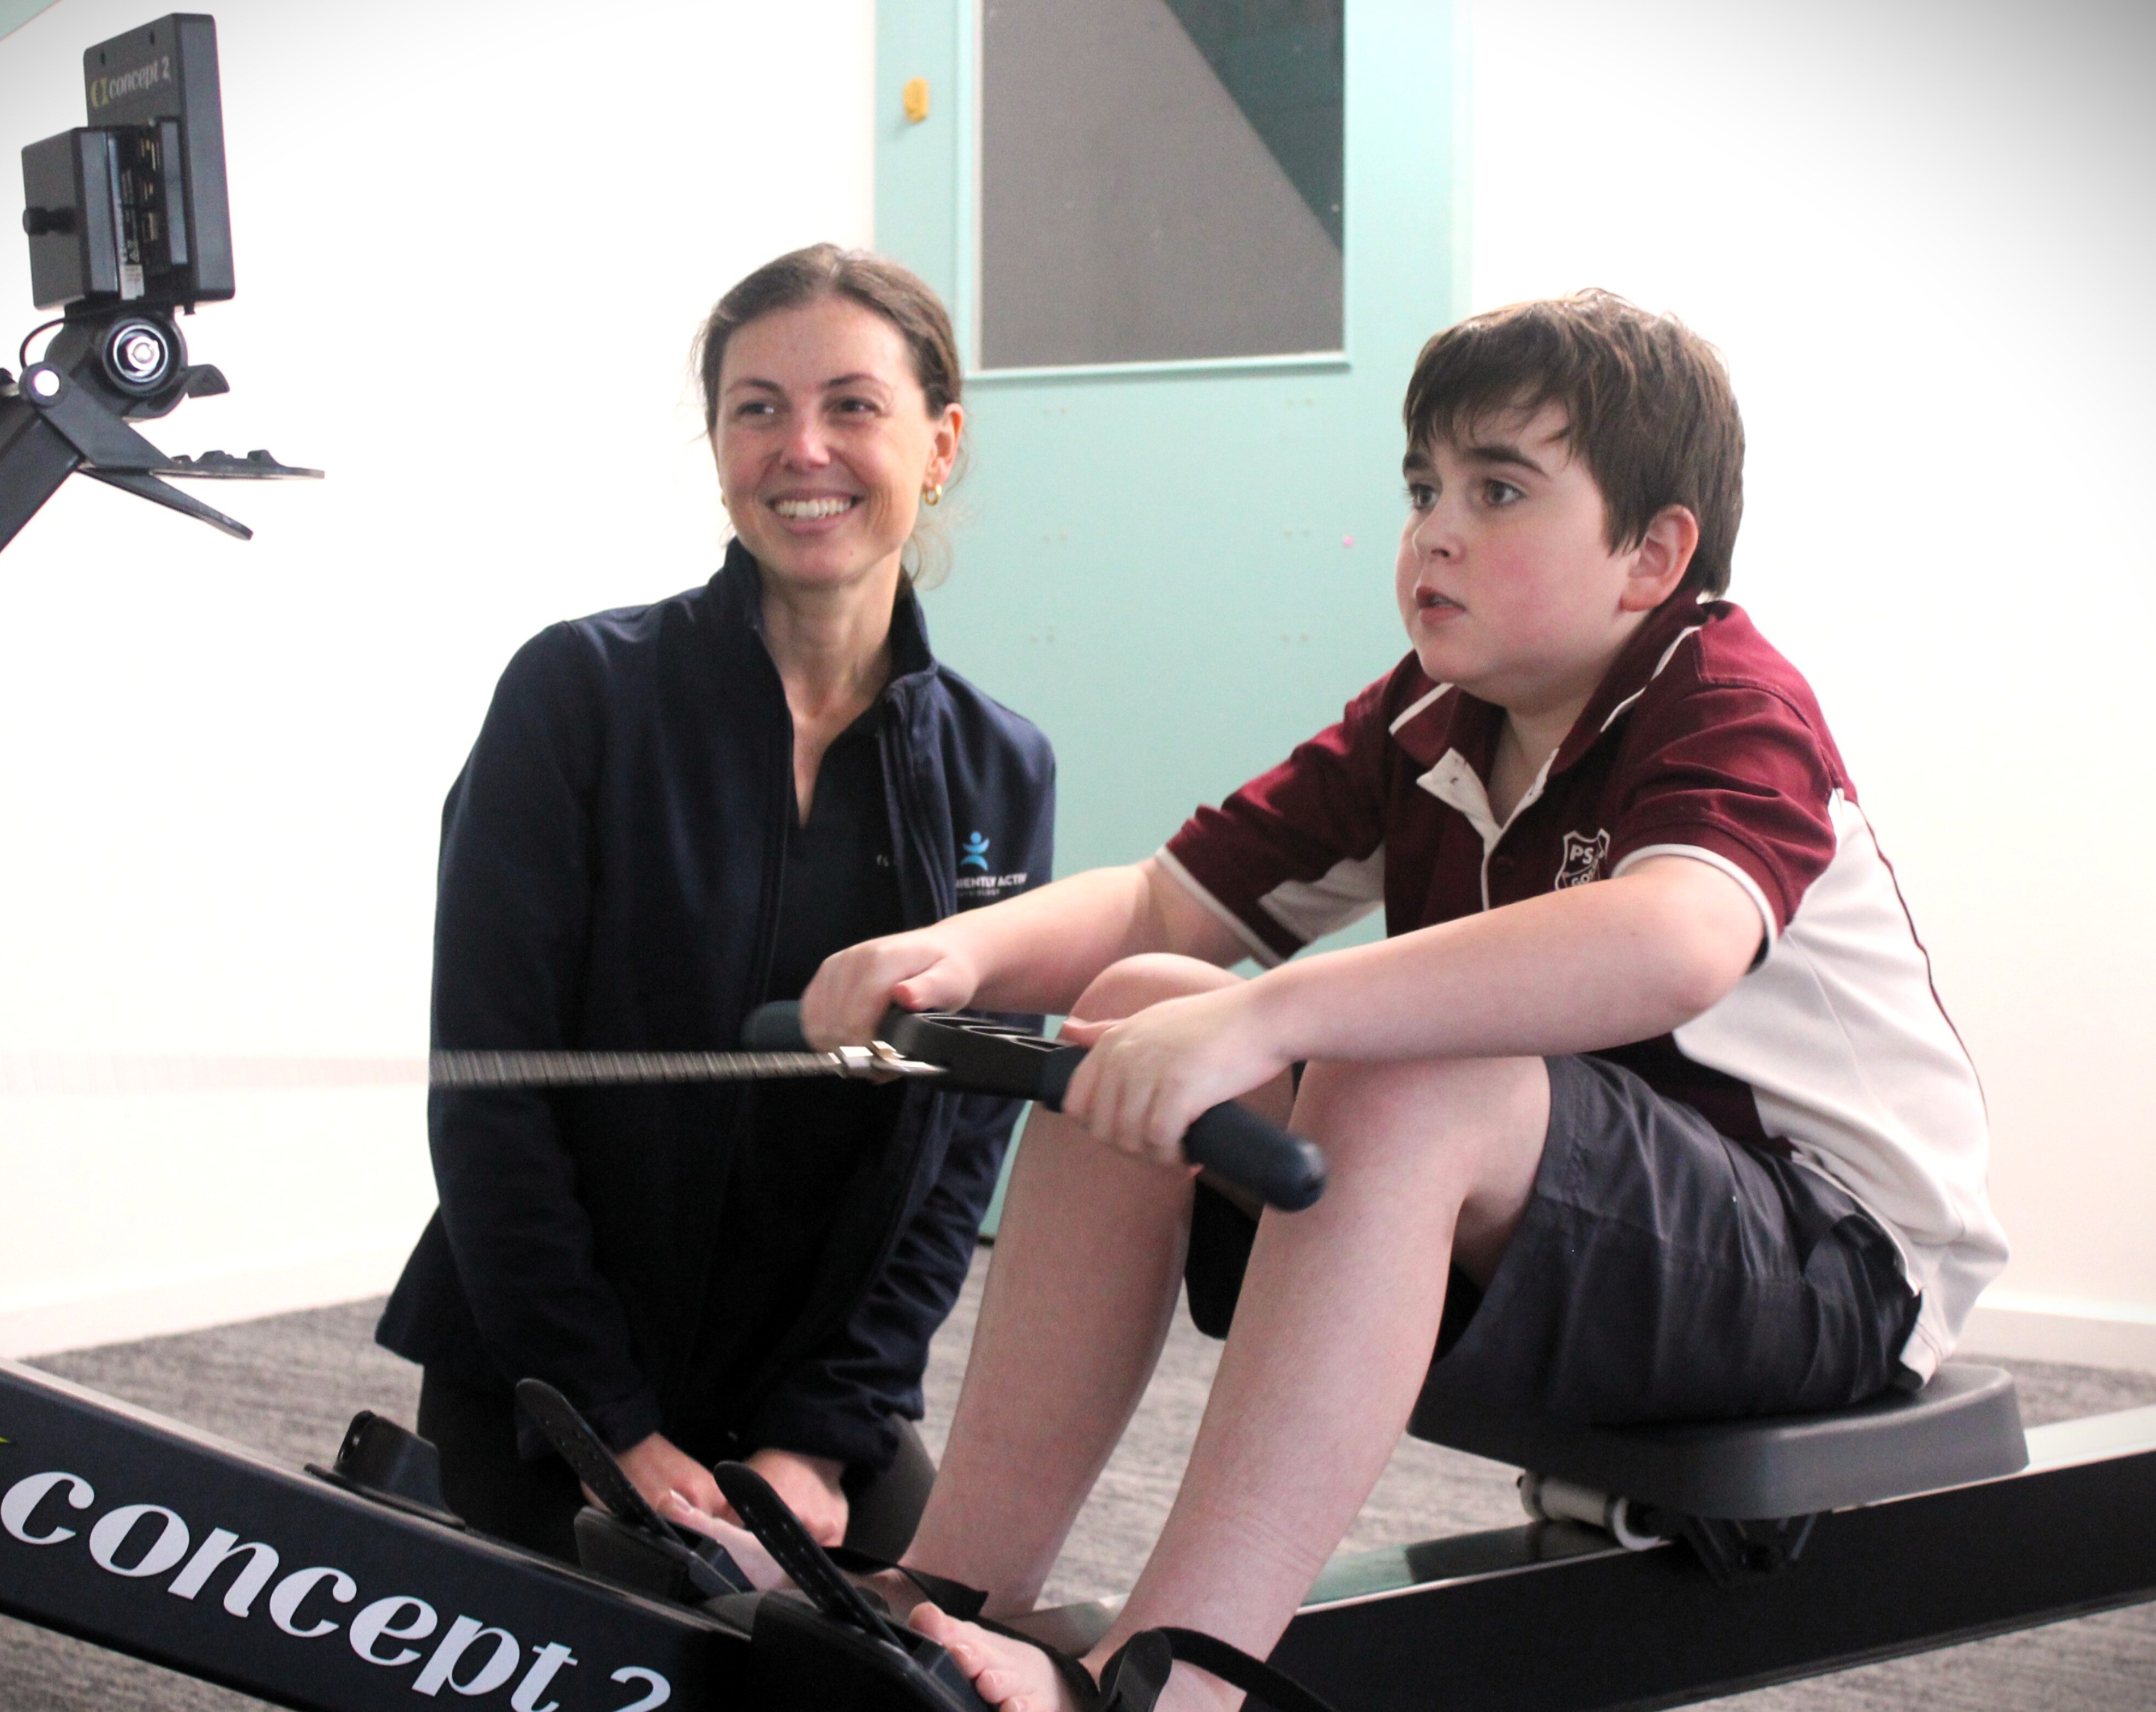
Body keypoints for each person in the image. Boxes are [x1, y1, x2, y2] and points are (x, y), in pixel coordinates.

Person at [789, 291, 2004, 1710]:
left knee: (1400, 1063)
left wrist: (1278, 1015)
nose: (1432, 527)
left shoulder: (1720, 694)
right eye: (1423, 485)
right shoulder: (1427, 719)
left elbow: (1673, 938)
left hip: (1832, 1264)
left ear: (1650, 554)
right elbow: (1160, 903)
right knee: (1131, 1000)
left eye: (1497, 489)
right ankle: (944, 1591)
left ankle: (1172, 1681)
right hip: (1589, 1229)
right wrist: (951, 956)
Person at [375, 244, 1055, 1564]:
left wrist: (821, 1436)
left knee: (936, 1657)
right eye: (758, 408)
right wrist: (611, 1427)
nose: (802, 448)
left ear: (940, 442)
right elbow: (488, 1094)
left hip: (803, 1401)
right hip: (544, 1377)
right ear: (720, 442)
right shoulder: (574, 696)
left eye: (853, 405)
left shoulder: (999, 764)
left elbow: (955, 1153)